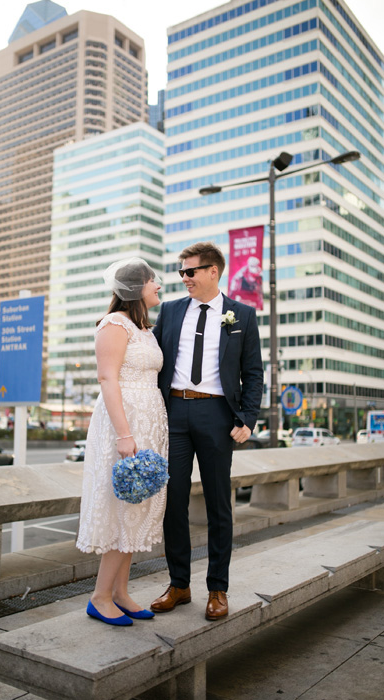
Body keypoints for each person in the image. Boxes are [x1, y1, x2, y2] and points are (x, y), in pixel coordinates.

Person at [151, 242, 263, 621]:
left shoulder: (242, 316)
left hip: (217, 414)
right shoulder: (168, 311)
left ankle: (218, 588)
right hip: (175, 411)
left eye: (190, 271)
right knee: (173, 500)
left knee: (217, 503)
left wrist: (247, 418)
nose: (184, 278)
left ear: (213, 271)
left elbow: (253, 373)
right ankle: (179, 584)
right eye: (181, 271)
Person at [76, 257, 168, 626]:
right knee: (120, 507)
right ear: (137, 287)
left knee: (137, 505)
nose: (158, 285)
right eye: (152, 280)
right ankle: (99, 596)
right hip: (124, 424)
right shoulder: (114, 325)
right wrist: (125, 434)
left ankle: (121, 592)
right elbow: (107, 380)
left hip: (149, 422)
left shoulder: (142, 328)